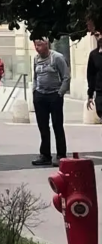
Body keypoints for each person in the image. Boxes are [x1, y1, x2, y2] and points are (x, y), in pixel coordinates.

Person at [31, 37, 70, 166]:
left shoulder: (57, 58)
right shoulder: (36, 59)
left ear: (46, 44)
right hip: (40, 95)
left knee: (57, 125)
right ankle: (45, 155)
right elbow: (35, 76)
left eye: (39, 45)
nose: (37, 48)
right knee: (43, 126)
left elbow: (66, 77)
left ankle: (61, 155)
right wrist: (34, 91)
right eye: (35, 45)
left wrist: (60, 93)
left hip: (54, 95)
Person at [88, 31, 102, 117]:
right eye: (97, 35)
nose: (100, 37)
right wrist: (90, 95)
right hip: (100, 93)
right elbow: (91, 75)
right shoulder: (94, 55)